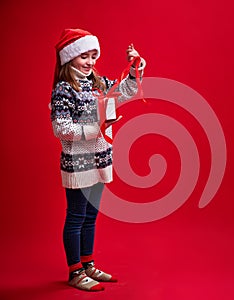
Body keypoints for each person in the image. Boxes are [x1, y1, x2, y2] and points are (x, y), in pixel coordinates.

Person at [50, 28, 146, 292]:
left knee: (91, 215)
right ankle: (75, 271)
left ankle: (88, 263)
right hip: (78, 160)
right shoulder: (63, 90)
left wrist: (135, 66)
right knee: (77, 215)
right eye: (84, 56)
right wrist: (94, 128)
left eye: (94, 56)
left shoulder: (98, 82)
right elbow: (61, 128)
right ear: (69, 58)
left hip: (100, 157)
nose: (91, 62)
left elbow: (125, 92)